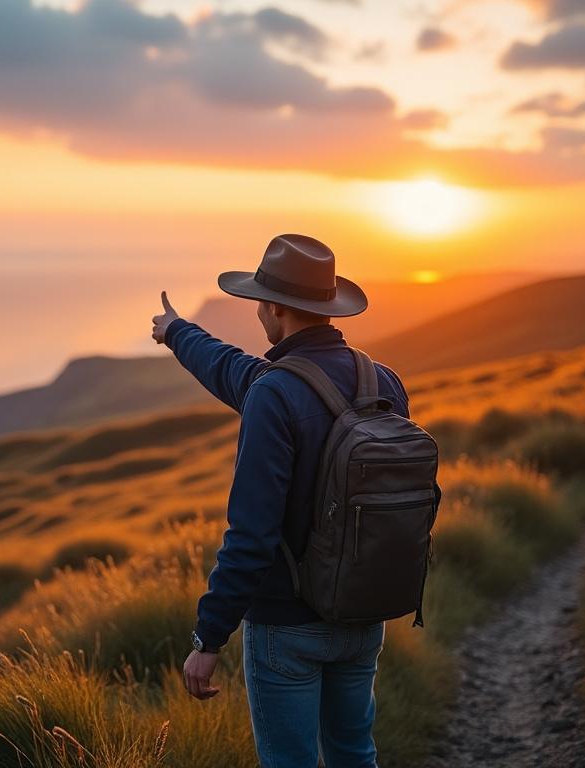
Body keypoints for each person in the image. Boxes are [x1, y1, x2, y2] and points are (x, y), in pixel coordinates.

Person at [150, 233, 411, 768]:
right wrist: (178, 332)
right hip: (364, 613)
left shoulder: (274, 393)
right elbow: (231, 369)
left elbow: (252, 534)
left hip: (287, 628)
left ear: (274, 308)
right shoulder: (382, 380)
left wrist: (208, 637)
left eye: (259, 304)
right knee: (355, 755)